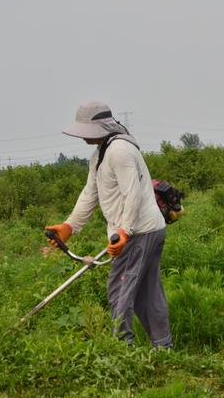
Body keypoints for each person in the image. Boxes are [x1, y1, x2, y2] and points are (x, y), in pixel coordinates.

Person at [46, 101, 173, 348]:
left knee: (120, 291)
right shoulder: (101, 154)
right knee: (148, 294)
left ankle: (122, 349)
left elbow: (132, 194)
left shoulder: (120, 151)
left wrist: (124, 231)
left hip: (138, 232)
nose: (84, 136)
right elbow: (90, 193)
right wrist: (69, 226)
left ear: (100, 127)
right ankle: (163, 347)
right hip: (146, 229)